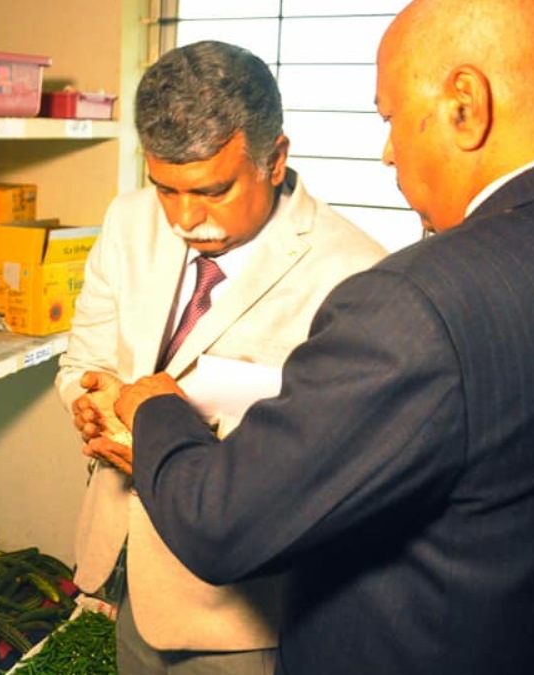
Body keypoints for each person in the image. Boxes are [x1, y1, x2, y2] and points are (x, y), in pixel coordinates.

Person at [112, 1, 534, 674]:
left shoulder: (411, 300)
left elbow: (224, 522)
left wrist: (153, 405)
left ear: (465, 105)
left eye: (390, 119)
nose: (387, 152)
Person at [55, 41, 385, 675]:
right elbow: (84, 360)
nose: (185, 218)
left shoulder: (358, 274)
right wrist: (88, 403)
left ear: (275, 159)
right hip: (127, 579)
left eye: (213, 190)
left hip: (243, 618)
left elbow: (329, 471)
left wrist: (169, 432)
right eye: (165, 189)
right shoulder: (128, 221)